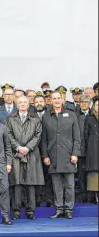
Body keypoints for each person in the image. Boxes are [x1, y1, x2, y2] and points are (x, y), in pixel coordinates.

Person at [41, 91, 80, 219]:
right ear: (50, 101)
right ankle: (59, 209)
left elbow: (77, 138)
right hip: (53, 156)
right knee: (56, 186)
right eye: (54, 98)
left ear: (63, 100)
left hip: (69, 156)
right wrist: (45, 156)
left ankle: (68, 209)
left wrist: (75, 153)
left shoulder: (72, 115)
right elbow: (44, 139)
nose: (57, 101)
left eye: (59, 98)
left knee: (69, 185)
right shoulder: (46, 116)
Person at [6, 96, 44, 220]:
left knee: (30, 184)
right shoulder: (10, 119)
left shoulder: (35, 119)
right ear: (16, 104)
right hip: (16, 154)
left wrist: (27, 148)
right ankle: (16, 211)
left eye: (25, 102)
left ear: (29, 104)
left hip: (31, 154)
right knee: (16, 183)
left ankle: (30, 211)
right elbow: (8, 134)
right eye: (20, 102)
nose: (22, 104)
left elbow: (38, 135)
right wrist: (18, 147)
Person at [33, 95, 54, 207]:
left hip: (49, 150)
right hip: (34, 150)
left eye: (41, 101)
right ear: (33, 103)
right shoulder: (30, 115)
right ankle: (37, 199)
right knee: (36, 176)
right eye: (37, 102)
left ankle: (49, 199)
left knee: (48, 175)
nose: (39, 103)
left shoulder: (50, 114)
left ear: (45, 102)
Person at [76, 94, 92, 203]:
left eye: (86, 102)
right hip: (80, 150)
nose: (84, 104)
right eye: (82, 102)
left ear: (90, 103)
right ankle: (82, 195)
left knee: (92, 174)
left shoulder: (94, 115)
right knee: (81, 175)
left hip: (92, 151)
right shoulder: (75, 115)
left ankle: (92, 195)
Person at [84, 97, 98, 204]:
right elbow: (85, 135)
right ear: (94, 106)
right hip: (93, 148)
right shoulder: (89, 118)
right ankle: (95, 195)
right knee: (94, 173)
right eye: (97, 105)